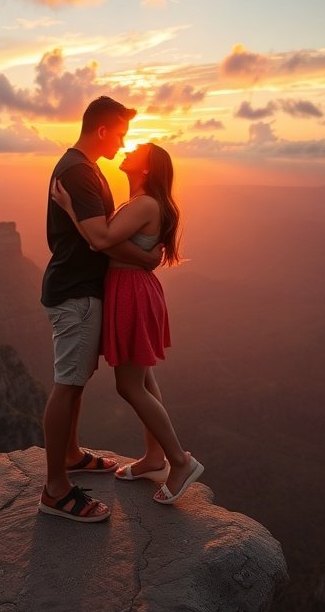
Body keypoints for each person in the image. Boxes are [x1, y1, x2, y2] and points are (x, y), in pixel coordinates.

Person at [52, 142, 204, 505]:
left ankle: (179, 461)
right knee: (146, 379)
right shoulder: (142, 201)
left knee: (129, 386)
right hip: (133, 288)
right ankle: (154, 458)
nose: (128, 150)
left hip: (131, 293)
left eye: (136, 151)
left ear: (148, 169)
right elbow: (110, 245)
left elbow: (99, 242)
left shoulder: (145, 203)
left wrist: (70, 207)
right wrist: (144, 256)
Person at [39, 97, 163, 523]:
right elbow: (98, 237)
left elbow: (102, 234)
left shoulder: (85, 170)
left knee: (77, 380)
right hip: (75, 290)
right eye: (122, 133)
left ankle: (71, 455)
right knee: (67, 384)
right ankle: (55, 490)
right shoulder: (78, 171)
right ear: (104, 130)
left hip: (82, 289)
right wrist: (146, 259)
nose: (124, 141)